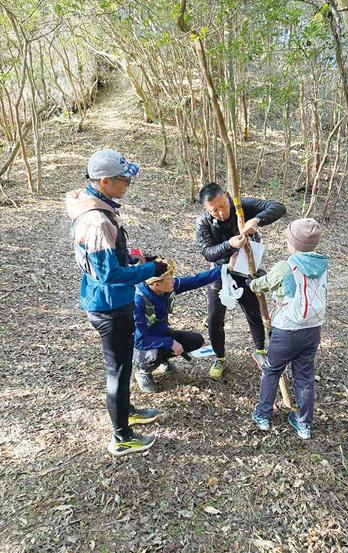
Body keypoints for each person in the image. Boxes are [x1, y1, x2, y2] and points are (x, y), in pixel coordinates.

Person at [66, 149, 168, 457]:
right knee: (119, 371)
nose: (128, 185)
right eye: (125, 180)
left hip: (110, 300)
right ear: (105, 181)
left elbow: (111, 261)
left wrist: (139, 260)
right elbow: (109, 274)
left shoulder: (99, 207)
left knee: (121, 367)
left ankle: (127, 411)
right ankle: (121, 437)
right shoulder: (97, 220)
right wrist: (150, 270)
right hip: (109, 306)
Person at [195, 182, 286, 380]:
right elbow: (207, 252)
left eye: (222, 205)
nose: (220, 213)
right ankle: (219, 357)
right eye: (214, 210)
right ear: (206, 209)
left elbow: (278, 207)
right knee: (215, 318)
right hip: (220, 272)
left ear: (227, 196)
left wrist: (256, 220)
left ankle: (260, 350)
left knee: (253, 311)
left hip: (246, 270)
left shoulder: (241, 206)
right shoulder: (203, 222)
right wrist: (229, 245)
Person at [249, 218, 328, 439]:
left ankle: (263, 415)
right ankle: (304, 424)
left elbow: (261, 285)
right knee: (304, 375)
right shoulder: (321, 264)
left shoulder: (286, 265)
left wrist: (252, 282)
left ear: (293, 242)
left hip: (287, 330)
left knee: (272, 370)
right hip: (312, 329)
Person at [133, 260, 224, 393]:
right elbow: (139, 340)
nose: (173, 281)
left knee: (195, 340)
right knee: (153, 354)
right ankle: (142, 371)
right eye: (170, 280)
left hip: (162, 333)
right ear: (157, 284)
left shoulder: (167, 287)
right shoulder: (138, 302)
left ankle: (162, 359)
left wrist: (224, 269)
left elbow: (196, 280)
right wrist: (170, 343)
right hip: (141, 343)